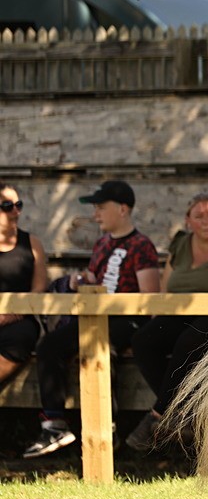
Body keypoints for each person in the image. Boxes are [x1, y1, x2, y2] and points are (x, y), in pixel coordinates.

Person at [23, 181, 160, 458]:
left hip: (127, 320)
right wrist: (79, 281)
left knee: (99, 347)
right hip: (94, 316)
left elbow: (149, 298)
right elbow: (95, 279)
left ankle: (107, 429)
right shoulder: (101, 244)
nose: (95, 215)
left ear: (122, 209)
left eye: (101, 208)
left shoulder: (141, 245)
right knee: (50, 345)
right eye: (95, 208)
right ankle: (54, 425)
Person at [126, 192, 208, 451]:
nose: (206, 221)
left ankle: (158, 413)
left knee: (189, 341)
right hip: (181, 313)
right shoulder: (181, 245)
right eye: (199, 216)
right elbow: (166, 289)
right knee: (143, 340)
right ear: (188, 221)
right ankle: (185, 412)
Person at [0, 182, 48, 387]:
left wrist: (14, 313)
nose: (15, 211)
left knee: (21, 337)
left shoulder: (32, 243)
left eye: (18, 205)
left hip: (19, 318)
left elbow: (39, 287)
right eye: (7, 206)